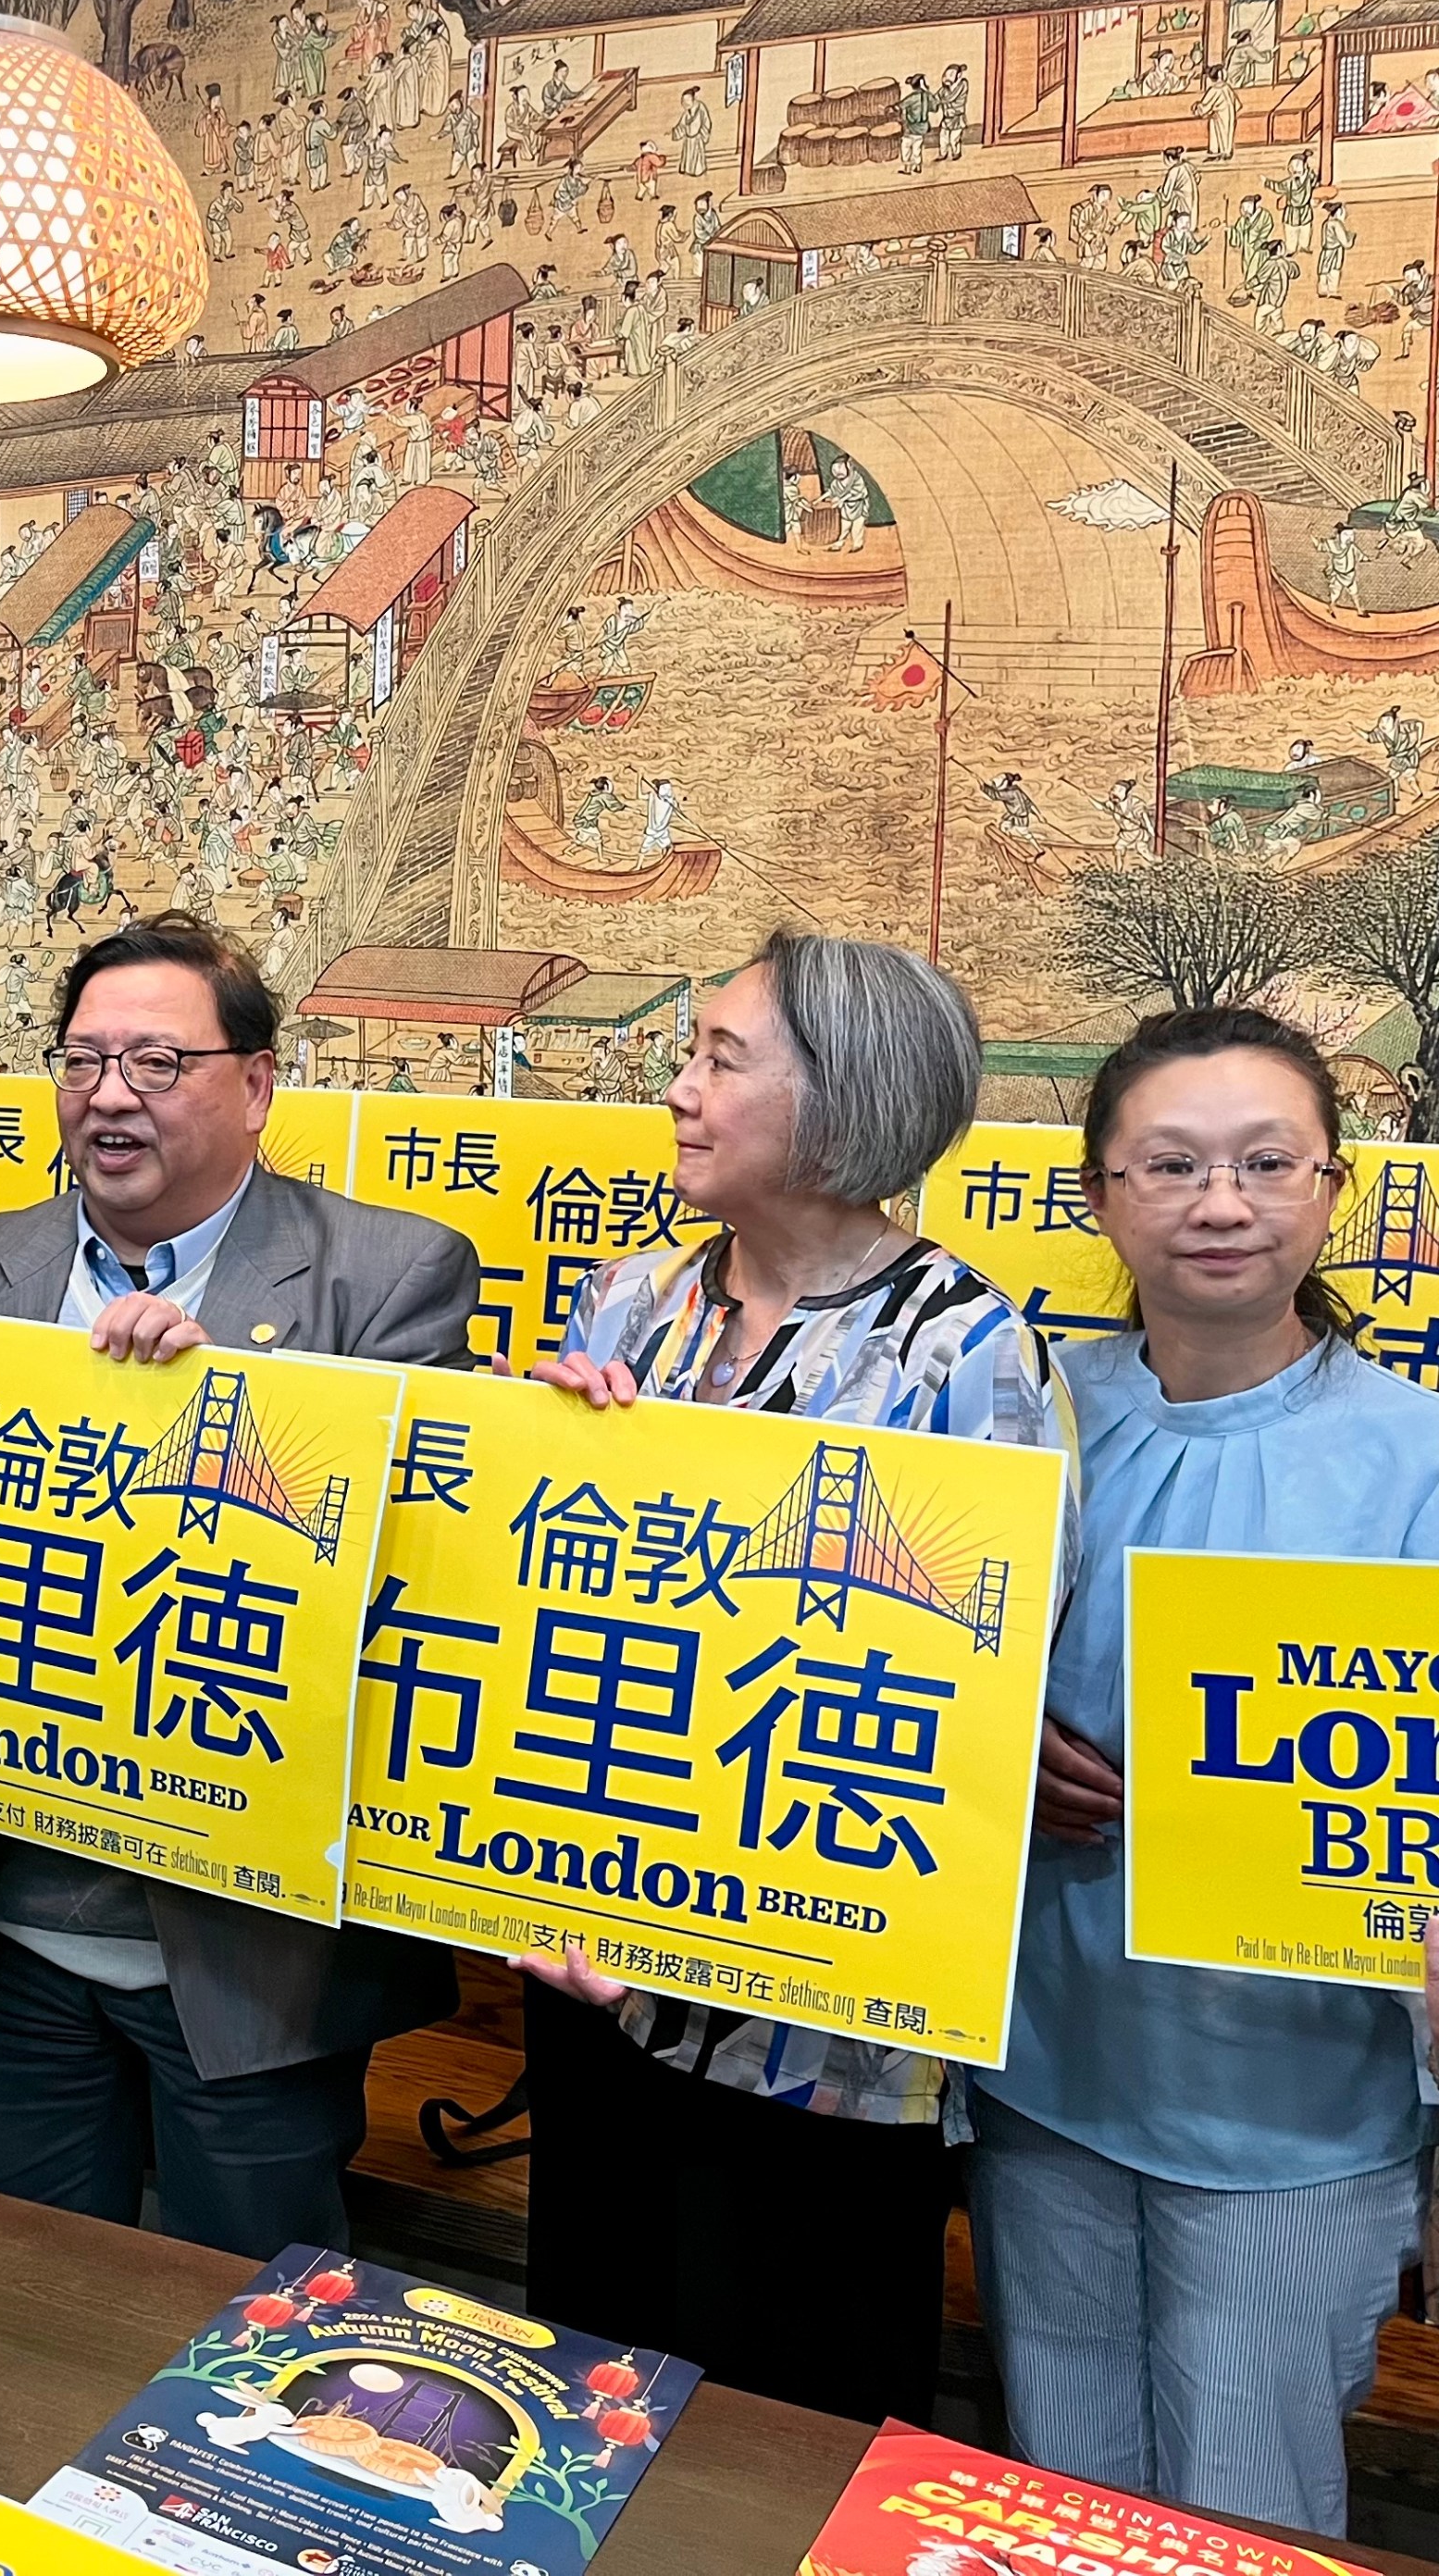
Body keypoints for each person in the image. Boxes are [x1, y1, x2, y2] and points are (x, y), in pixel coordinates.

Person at [0, 916, 478, 2259]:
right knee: (20, 2301)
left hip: (245, 1962)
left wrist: (219, 1413)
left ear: (255, 1086)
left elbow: (412, 1577)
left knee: (238, 2319)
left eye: (154, 1059)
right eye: (82, 1059)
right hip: (5, 1931)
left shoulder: (386, 1276)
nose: (109, 1094)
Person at [518, 932, 1073, 2426]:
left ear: (844, 1105)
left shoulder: (970, 1358)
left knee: (785, 2441)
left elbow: (973, 1710)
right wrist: (548, 1454)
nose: (681, 1091)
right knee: (582, 2411)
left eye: (720, 1058)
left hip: (821, 2037)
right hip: (599, 1984)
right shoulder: (631, 1304)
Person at [969, 1008, 1437, 2534]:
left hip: (1296, 2103)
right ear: (1098, 1196)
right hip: (1044, 2063)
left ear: (1334, 1188)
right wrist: (996, 1747)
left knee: (1252, 2515)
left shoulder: (1416, 1458)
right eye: (1168, 1165)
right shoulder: (1020, 1415)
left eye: (1262, 1163)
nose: (1218, 1202)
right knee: (1065, 2491)